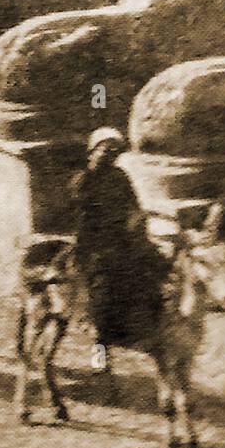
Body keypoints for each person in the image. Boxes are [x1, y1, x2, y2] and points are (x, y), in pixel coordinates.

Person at [69, 128, 158, 349]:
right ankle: (98, 347)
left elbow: (135, 205)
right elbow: (83, 217)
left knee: (150, 272)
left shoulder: (120, 176)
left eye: (114, 151)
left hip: (121, 239)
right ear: (92, 151)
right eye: (104, 149)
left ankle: (137, 329)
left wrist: (135, 221)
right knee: (102, 292)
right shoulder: (83, 180)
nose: (109, 155)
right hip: (94, 245)